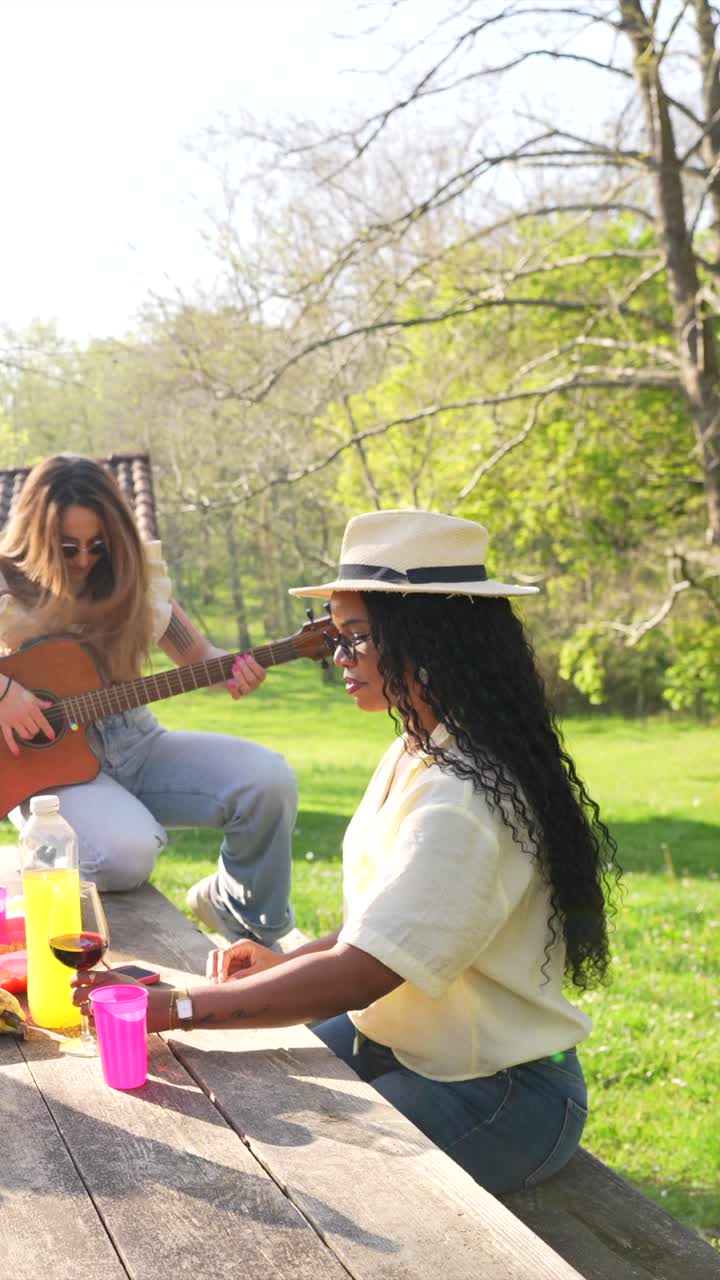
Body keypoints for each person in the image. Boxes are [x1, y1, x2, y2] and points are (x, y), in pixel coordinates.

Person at [73, 508, 621, 1195]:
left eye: (355, 638)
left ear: (430, 638)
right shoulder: (418, 748)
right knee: (235, 1101)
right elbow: (386, 923)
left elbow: (364, 971)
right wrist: (281, 963)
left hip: (498, 1093)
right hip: (402, 1044)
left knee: (298, 1185)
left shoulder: (467, 795)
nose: (338, 658)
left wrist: (182, 1006)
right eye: (336, 637)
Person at [0, 454, 297, 947]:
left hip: (135, 739)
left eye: (98, 546)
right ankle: (31, 886)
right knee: (126, 855)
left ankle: (245, 923)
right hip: (43, 765)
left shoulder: (136, 578)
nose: (83, 561)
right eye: (67, 546)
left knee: (267, 782)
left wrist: (235, 672)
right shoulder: (5, 583)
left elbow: (198, 654)